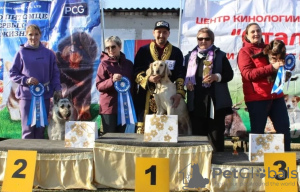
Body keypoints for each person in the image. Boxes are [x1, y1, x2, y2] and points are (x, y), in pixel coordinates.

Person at [237, 23, 290, 151]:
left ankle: (287, 157)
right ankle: (257, 162)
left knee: (284, 128)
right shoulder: (244, 52)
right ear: (247, 35)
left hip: (276, 95)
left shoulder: (270, 48)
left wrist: (283, 71)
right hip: (257, 98)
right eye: (253, 32)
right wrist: (272, 67)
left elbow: (277, 67)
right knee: (258, 131)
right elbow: (248, 74)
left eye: (258, 31)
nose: (256, 34)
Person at [184, 27, 233, 152]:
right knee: (197, 139)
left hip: (214, 104)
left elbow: (229, 74)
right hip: (196, 103)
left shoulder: (220, 55)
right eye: (200, 38)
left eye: (207, 39)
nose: (203, 41)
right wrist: (187, 83)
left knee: (216, 140)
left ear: (212, 40)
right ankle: (197, 168)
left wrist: (216, 76)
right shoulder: (189, 57)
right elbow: (182, 76)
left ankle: (217, 166)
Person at [10, 24, 62, 139]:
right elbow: (13, 73)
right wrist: (25, 80)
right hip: (27, 97)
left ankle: (39, 156)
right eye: (30, 34)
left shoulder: (48, 54)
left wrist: (57, 88)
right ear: (26, 35)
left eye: (36, 34)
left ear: (40, 35)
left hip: (44, 96)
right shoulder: (21, 52)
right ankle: (27, 156)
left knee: (40, 129)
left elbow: (55, 73)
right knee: (28, 129)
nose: (33, 37)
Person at [134, 20, 186, 134]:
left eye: (164, 32)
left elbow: (180, 74)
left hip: (169, 96)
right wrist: (148, 78)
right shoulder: (143, 51)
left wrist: (179, 93)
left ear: (169, 34)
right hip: (147, 95)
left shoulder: (176, 52)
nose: (161, 35)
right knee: (146, 131)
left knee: (168, 131)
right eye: (158, 32)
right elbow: (136, 71)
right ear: (153, 33)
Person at [96, 36, 134, 133]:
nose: (110, 50)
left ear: (120, 46)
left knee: (121, 138)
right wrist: (111, 80)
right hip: (109, 109)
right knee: (109, 138)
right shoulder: (103, 64)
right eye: (107, 48)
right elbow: (99, 86)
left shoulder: (129, 64)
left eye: (113, 47)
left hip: (125, 108)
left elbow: (133, 86)